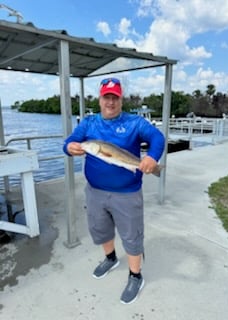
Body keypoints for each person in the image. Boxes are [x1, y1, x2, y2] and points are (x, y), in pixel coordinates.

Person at [63, 77, 165, 304]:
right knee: (100, 229)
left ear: (120, 99)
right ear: (99, 99)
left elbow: (157, 137)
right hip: (95, 192)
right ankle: (110, 258)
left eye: (114, 97)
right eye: (106, 97)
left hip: (127, 193)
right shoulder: (89, 123)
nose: (110, 102)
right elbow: (71, 141)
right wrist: (69, 147)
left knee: (131, 235)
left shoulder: (134, 122)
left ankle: (135, 275)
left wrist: (151, 157)